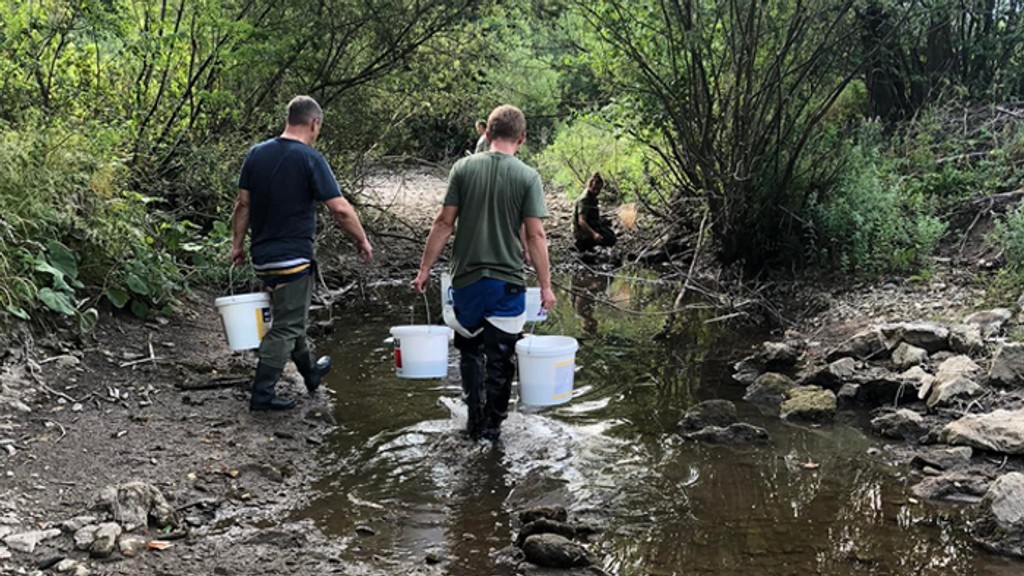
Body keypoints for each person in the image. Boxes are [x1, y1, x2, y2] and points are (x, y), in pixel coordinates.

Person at [413, 104, 556, 442]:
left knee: (469, 349)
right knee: (501, 357)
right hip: (506, 283)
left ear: (487, 134)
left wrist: (424, 270)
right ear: (521, 138)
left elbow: (444, 223)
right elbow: (535, 235)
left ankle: (473, 419)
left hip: (466, 282)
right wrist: (546, 286)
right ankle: (492, 429)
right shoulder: (527, 177)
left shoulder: (462, 169)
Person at [230, 95, 373, 411]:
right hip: (293, 259)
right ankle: (262, 394)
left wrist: (237, 245)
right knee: (287, 326)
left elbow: (243, 205)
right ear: (314, 123)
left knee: (291, 316)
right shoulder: (310, 159)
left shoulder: (256, 154)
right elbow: (340, 210)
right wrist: (361, 240)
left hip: (263, 258)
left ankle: (311, 373)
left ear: (288, 119)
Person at [573, 172, 618, 252]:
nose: (596, 192)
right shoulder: (584, 199)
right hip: (580, 231)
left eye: (598, 190)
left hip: (590, 224)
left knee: (611, 235)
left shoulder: (593, 198)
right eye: (594, 189)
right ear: (590, 185)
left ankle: (591, 245)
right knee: (609, 239)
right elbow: (581, 221)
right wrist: (594, 234)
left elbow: (593, 216)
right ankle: (583, 244)